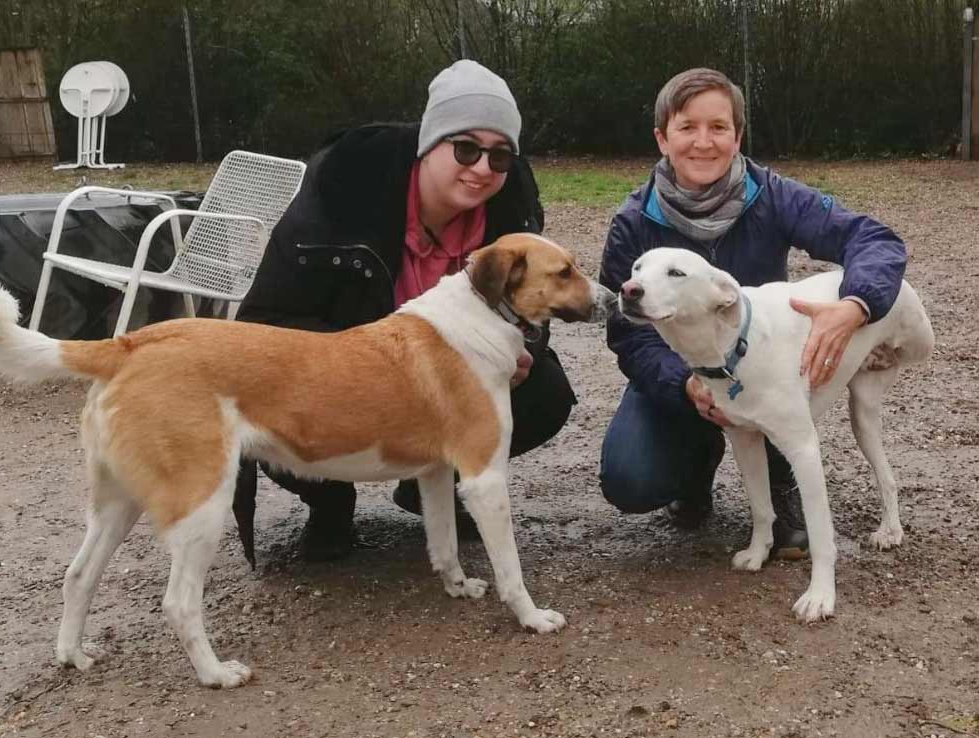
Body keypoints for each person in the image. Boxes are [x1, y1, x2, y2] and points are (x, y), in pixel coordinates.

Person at [232, 60, 577, 563]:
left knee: (546, 391)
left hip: (443, 384)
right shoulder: (338, 195)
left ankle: (436, 485)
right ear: (429, 144)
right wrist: (361, 365)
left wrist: (522, 349)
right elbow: (264, 326)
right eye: (466, 148)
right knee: (279, 393)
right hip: (343, 374)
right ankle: (330, 501)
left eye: (500, 157)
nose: (483, 168)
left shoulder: (512, 210)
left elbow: (531, 306)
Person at [598, 68, 907, 558]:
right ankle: (694, 470)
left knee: (771, 402)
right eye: (687, 127)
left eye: (719, 127)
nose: (704, 142)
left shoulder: (775, 195)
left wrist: (856, 305)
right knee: (631, 479)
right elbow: (627, 335)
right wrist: (683, 384)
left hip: (760, 368)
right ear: (662, 138)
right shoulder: (633, 223)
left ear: (737, 136)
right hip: (683, 377)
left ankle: (778, 476)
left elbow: (874, 241)